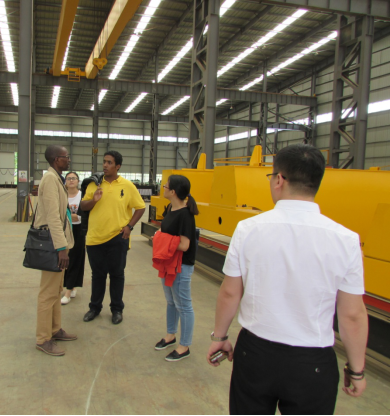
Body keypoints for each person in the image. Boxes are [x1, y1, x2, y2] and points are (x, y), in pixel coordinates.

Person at [206, 144, 369, 415]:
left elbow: (230, 293)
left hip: (255, 354)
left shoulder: (248, 229)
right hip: (312, 363)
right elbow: (352, 314)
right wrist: (357, 369)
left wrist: (220, 336)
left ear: (279, 180)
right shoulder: (346, 240)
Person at [81, 151, 146, 325]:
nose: (105, 165)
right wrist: (94, 200)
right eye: (104, 162)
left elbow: (140, 207)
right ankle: (94, 308)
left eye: (109, 162)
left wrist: (129, 226)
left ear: (118, 166)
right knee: (98, 275)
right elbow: (83, 206)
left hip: (118, 237)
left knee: (117, 275)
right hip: (95, 237)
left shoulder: (127, 186)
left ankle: (117, 309)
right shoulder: (94, 184)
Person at [33, 145, 77, 357]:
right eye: (66, 157)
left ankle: (54, 329)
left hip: (60, 243)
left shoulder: (57, 178)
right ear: (56, 159)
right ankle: (43, 339)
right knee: (48, 293)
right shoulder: (50, 179)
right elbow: (52, 216)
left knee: (56, 290)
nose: (68, 159)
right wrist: (61, 248)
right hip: (53, 244)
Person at [153, 175, 198, 362]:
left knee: (184, 306)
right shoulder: (170, 208)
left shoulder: (186, 215)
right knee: (171, 301)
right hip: (168, 262)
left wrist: (159, 239)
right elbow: (166, 232)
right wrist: (160, 235)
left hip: (181, 265)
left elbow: (185, 245)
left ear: (173, 191)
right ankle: (170, 335)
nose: (163, 187)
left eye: (165, 186)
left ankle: (184, 346)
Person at [62, 172, 86, 305]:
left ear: (78, 181)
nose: (71, 180)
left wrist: (75, 217)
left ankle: (68, 292)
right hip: (64, 230)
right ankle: (71, 287)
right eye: (69, 178)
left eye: (74, 178)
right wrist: (72, 217)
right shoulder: (62, 194)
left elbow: (85, 215)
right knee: (64, 258)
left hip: (78, 230)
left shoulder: (83, 195)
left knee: (76, 260)